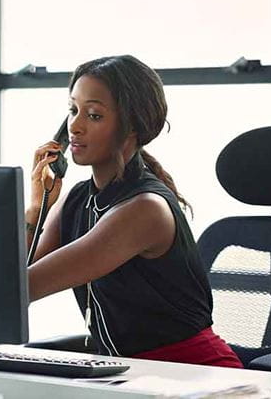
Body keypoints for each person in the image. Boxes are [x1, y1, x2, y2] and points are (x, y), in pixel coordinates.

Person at [26, 55, 242, 368]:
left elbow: (25, 287)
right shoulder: (77, 201)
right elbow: (15, 278)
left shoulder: (144, 210)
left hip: (197, 376)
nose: (74, 126)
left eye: (94, 115)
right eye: (73, 110)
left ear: (131, 126)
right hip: (131, 376)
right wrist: (36, 208)